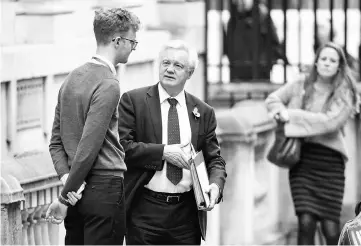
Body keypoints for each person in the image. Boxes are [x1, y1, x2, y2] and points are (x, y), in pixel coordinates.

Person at [46, 7, 140, 245]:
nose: (132, 47)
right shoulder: (109, 83)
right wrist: (66, 196)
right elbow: (89, 146)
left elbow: (56, 142)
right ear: (117, 41)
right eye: (132, 41)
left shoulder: (71, 78)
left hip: (77, 189)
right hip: (103, 189)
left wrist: (69, 182)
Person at [118, 40, 227, 245]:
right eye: (165, 62)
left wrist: (215, 186)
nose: (169, 69)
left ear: (190, 73)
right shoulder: (134, 101)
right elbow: (121, 148)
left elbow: (215, 160)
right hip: (145, 210)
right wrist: (163, 152)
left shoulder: (203, 112)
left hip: (186, 215)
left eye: (178, 65)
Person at [265, 42, 360, 245]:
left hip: (330, 163)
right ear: (316, 62)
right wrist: (279, 112)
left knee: (331, 228)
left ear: (339, 66)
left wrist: (290, 116)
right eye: (323, 59)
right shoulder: (300, 84)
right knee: (306, 223)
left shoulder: (345, 92)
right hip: (302, 160)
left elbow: (329, 122)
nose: (327, 63)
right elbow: (273, 100)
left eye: (333, 60)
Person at [224, 0, 287, 81]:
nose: (239, 2)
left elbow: (274, 43)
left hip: (259, 71)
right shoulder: (233, 19)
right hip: (239, 72)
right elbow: (229, 46)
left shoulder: (262, 16)